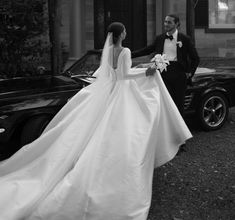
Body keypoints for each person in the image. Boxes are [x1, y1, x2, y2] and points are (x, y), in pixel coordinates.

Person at [0, 22, 192, 220]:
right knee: (128, 128)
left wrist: (144, 67)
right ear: (121, 34)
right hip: (120, 93)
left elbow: (106, 74)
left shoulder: (108, 50)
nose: (127, 32)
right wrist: (148, 71)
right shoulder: (124, 51)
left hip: (109, 90)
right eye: (125, 30)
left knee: (95, 129)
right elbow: (125, 75)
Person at [132, 14, 200, 117]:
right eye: (165, 22)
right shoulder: (160, 38)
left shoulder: (185, 39)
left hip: (179, 74)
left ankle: (179, 130)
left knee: (179, 104)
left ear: (176, 24)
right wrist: (130, 54)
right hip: (163, 73)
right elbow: (147, 49)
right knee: (165, 102)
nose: (166, 24)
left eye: (169, 22)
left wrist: (189, 73)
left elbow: (195, 58)